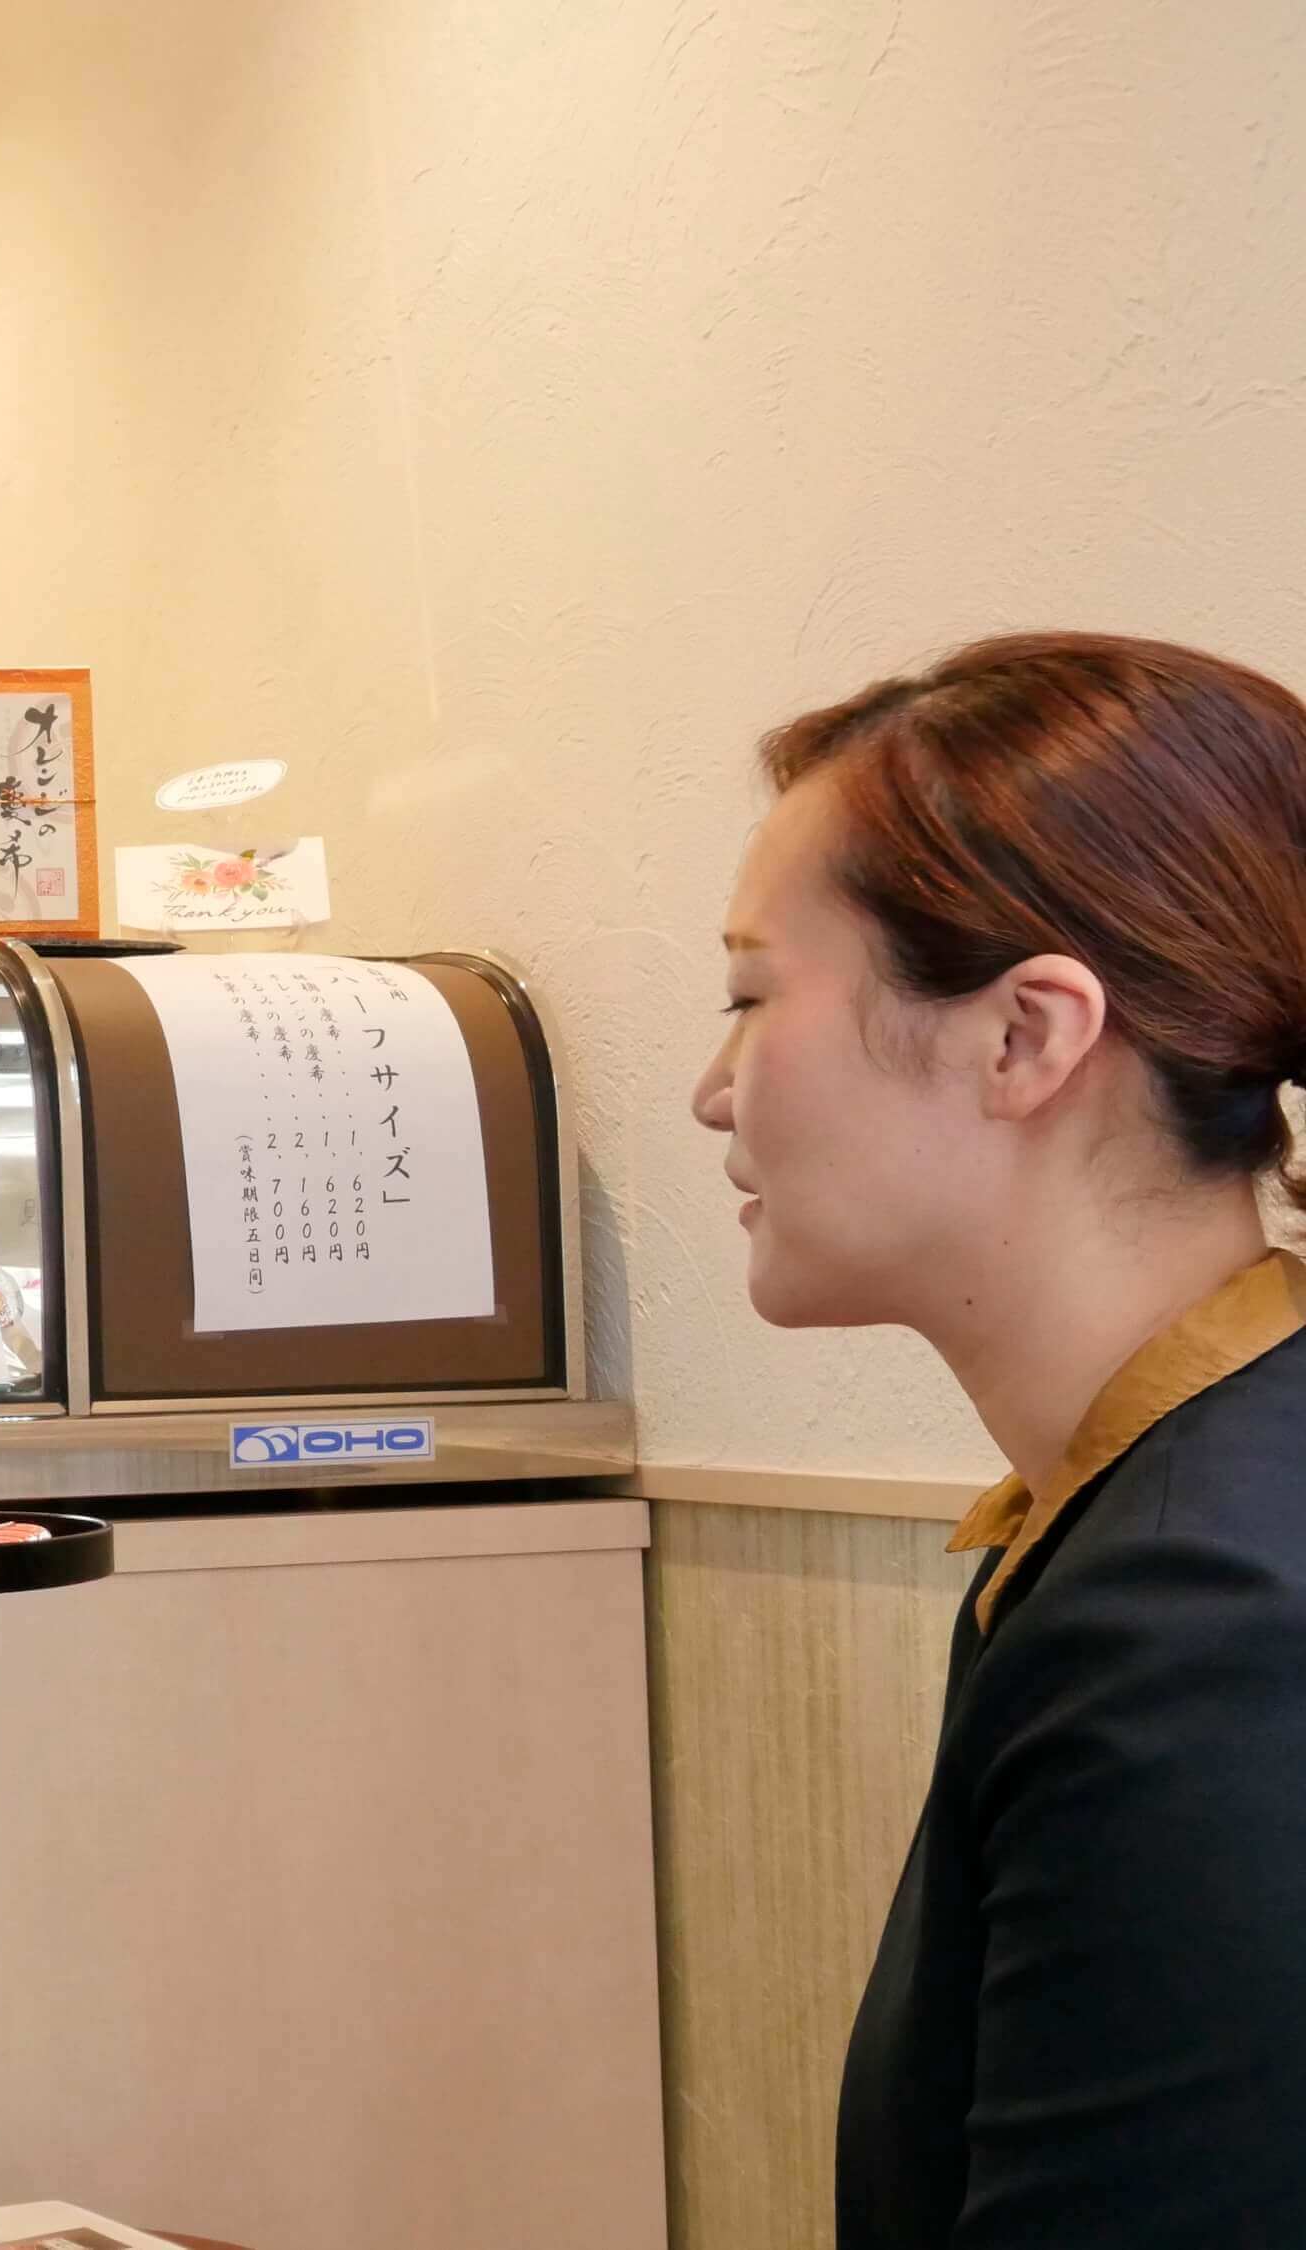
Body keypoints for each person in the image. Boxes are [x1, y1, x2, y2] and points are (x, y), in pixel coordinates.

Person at [690, 631, 1306, 2247]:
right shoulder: (1143, 1510)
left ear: (1027, 1035)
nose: (711, 1088)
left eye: (754, 994)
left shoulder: (1205, 1615)